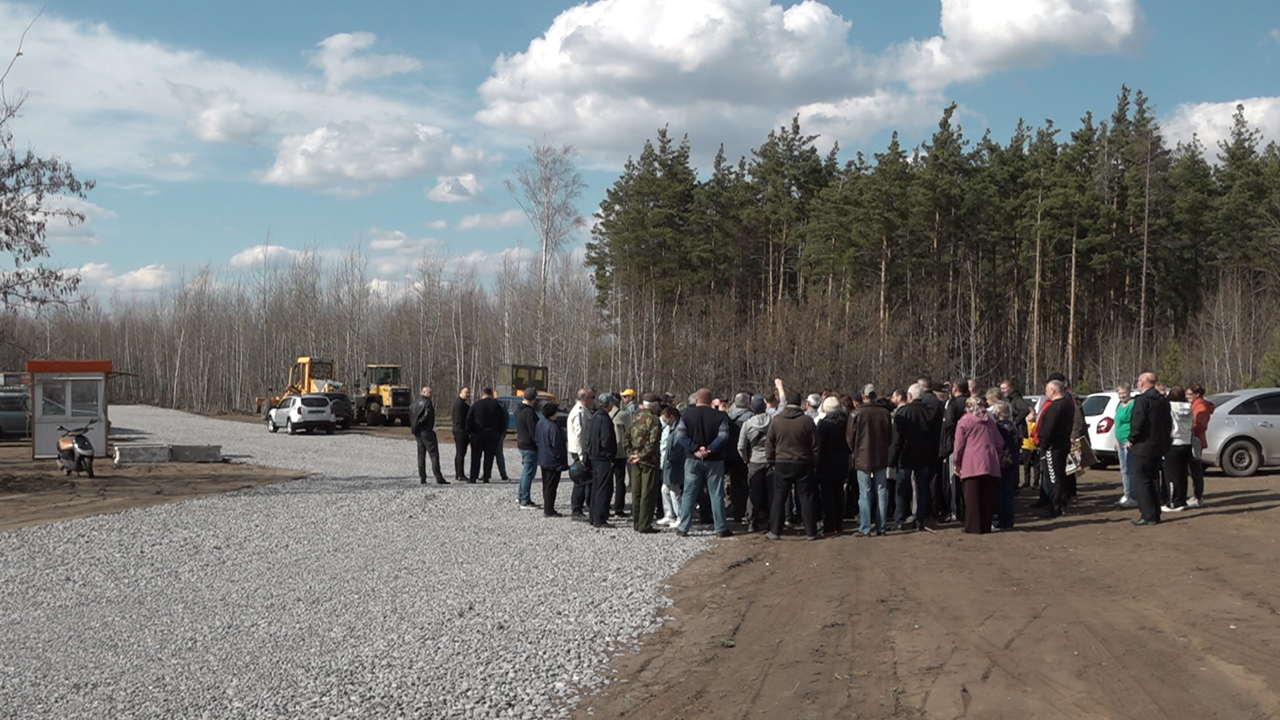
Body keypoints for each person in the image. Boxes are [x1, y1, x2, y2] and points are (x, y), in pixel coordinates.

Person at [674, 389, 733, 538]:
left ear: (697, 401)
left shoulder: (686, 415)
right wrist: (710, 449)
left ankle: (683, 527)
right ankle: (720, 527)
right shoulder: (720, 416)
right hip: (714, 460)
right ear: (711, 401)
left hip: (693, 459)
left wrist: (695, 448)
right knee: (716, 494)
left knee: (689, 494)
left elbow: (680, 436)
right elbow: (723, 436)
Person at [765, 389, 820, 540]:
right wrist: (814, 462)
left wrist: (771, 461)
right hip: (803, 462)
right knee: (806, 497)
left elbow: (769, 444)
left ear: (787, 403)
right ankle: (811, 532)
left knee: (779, 497)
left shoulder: (777, 420)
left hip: (782, 463)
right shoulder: (807, 421)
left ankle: (775, 531)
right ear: (801, 403)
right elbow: (815, 445)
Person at [890, 383, 937, 531]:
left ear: (909, 397)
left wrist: (892, 458)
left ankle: (899, 518)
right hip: (924, 456)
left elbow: (897, 439)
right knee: (923, 487)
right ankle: (921, 518)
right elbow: (935, 436)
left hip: (905, 456)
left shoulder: (903, 413)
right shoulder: (930, 412)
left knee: (902, 487)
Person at [953, 396, 1002, 534]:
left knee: (972, 497)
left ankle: (973, 526)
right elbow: (1000, 443)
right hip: (990, 461)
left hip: (971, 462)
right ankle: (986, 526)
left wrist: (957, 462)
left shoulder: (964, 421)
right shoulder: (991, 422)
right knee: (987, 496)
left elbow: (959, 444)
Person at [1129, 372, 1172, 526]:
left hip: (1143, 446)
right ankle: (1155, 513)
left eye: (1138, 381)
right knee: (1154, 479)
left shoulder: (1142, 400)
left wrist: (1131, 438)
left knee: (1142, 480)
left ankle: (1147, 514)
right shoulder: (1163, 401)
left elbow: (1138, 422)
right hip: (1158, 445)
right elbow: (1169, 423)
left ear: (1142, 383)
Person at [848, 386, 892, 537]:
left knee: (865, 492)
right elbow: (889, 436)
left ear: (863, 396)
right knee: (881, 491)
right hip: (880, 456)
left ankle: (865, 527)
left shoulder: (856, 414)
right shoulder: (885, 413)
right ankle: (882, 526)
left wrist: (856, 450)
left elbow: (849, 437)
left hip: (862, 457)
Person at [625, 393, 664, 533]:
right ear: (654, 405)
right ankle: (645, 525)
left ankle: (636, 523)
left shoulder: (635, 417)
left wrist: (631, 454)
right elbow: (653, 443)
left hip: (634, 460)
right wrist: (641, 456)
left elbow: (626, 437)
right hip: (649, 462)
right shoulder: (654, 420)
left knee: (636, 493)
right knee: (647, 493)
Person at [1035, 379, 1074, 518]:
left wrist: (1043, 445)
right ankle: (1061, 504)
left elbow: (1048, 429)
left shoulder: (1055, 407)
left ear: (1053, 390)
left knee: (1053, 477)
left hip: (1053, 445)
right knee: (1060, 475)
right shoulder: (1068, 404)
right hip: (1062, 443)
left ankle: (1055, 507)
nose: (1046, 393)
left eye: (1047, 390)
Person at [738, 394, 772, 533]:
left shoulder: (747, 424)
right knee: (772, 493)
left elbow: (741, 446)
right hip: (771, 461)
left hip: (754, 461)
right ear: (765, 407)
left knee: (754, 493)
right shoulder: (773, 420)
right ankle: (773, 522)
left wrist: (745, 458)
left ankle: (752, 522)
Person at [815, 396, 849, 537]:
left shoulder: (823, 425)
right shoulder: (846, 422)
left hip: (826, 464)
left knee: (828, 496)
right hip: (842, 463)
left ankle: (829, 527)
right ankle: (839, 525)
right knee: (839, 494)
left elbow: (818, 445)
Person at [585, 393, 618, 528]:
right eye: (612, 403)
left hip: (593, 455)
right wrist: (611, 456)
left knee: (595, 487)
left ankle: (593, 517)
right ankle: (599, 518)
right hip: (602, 458)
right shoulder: (605, 419)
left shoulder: (594, 416)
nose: (613, 405)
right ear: (608, 404)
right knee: (603, 488)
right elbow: (606, 441)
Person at [939, 380, 969, 523]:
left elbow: (950, 423)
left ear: (956, 388)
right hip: (972, 446)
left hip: (955, 447)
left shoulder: (953, 404)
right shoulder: (972, 403)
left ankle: (956, 511)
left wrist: (956, 440)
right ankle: (967, 509)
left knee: (954, 480)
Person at [466, 388, 509, 483]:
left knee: (476, 457)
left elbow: (469, 419)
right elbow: (503, 421)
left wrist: (470, 432)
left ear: (483, 394)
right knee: (489, 457)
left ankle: (473, 477)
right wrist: (500, 433)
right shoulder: (497, 406)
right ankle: (486, 477)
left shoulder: (476, 405)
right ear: (491, 395)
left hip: (478, 434)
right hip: (493, 435)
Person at [410, 385, 448, 484]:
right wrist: (421, 423)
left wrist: (415, 426)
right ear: (424, 392)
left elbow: (410, 416)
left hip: (417, 432)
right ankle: (438, 477)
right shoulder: (427, 403)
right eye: (430, 393)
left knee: (421, 455)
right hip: (426, 431)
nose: (432, 395)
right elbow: (427, 416)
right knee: (434, 454)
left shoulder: (414, 403)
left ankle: (422, 477)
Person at [990, 400, 1019, 530]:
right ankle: (1009, 520)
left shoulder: (999, 427)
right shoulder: (1013, 426)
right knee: (1008, 492)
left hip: (1001, 462)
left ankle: (998, 520)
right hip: (1012, 461)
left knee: (998, 492)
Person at [1164, 386, 1194, 512]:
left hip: (1174, 442)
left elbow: (1167, 425)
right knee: (1182, 474)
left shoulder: (1169, 408)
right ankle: (1181, 500)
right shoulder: (1189, 407)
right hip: (1186, 442)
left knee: (1171, 475)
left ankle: (1173, 503)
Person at [535, 402, 568, 516]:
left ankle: (547, 507)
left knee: (546, 484)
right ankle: (549, 510)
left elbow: (537, 439)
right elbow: (557, 445)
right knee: (552, 486)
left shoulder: (540, 423)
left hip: (543, 457)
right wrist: (561, 459)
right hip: (553, 460)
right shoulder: (553, 426)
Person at [725, 393, 753, 523]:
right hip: (747, 455)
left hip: (731, 455)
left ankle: (736, 511)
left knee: (735, 484)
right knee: (749, 484)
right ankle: (749, 511)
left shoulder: (727, 417)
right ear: (748, 403)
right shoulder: (751, 417)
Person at [567, 388, 595, 517]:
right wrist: (581, 455)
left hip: (583, 450)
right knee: (581, 479)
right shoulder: (580, 412)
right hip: (581, 451)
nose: (593, 401)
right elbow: (579, 435)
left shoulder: (584, 411)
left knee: (587, 480)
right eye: (592, 398)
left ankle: (588, 505)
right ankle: (576, 509)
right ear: (584, 399)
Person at [1187, 383, 1215, 508]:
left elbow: (1200, 426)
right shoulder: (1195, 405)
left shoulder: (1201, 408)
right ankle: (1196, 495)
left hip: (1196, 440)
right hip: (1194, 439)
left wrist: (1188, 426)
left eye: (1189, 394)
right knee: (1193, 469)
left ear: (1197, 394)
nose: (1187, 396)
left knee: (1196, 469)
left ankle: (1198, 497)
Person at [514, 386, 541, 508]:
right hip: (529, 445)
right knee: (529, 473)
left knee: (526, 471)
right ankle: (525, 499)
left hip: (521, 442)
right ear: (534, 399)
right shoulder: (529, 412)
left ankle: (521, 496)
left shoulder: (518, 409)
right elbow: (533, 431)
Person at [658, 405, 685, 527]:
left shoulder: (679, 429)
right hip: (668, 463)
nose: (665, 422)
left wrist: (671, 460)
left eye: (665, 419)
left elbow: (677, 448)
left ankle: (680, 516)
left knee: (674, 491)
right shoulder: (672, 428)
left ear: (672, 417)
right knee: (665, 489)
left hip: (675, 464)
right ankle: (669, 514)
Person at [1113, 384, 1136, 508]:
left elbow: (1134, 423)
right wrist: (1116, 439)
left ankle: (1131, 495)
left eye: (1124, 393)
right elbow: (1117, 423)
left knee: (1129, 469)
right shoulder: (1119, 405)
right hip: (1120, 442)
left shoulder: (1132, 404)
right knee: (1123, 470)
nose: (1122, 395)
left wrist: (1131, 440)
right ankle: (1126, 494)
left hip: (1128, 442)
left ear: (1129, 392)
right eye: (1120, 393)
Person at [609, 396, 632, 519]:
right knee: (619, 481)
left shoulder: (601, 414)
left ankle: (605, 505)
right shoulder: (622, 415)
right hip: (620, 452)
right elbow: (629, 431)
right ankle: (619, 508)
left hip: (607, 452)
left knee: (606, 481)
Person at [451, 386, 473, 482]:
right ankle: (460, 474)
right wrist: (467, 431)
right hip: (460, 432)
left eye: (468, 393)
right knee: (460, 453)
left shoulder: (461, 403)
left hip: (459, 430)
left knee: (460, 453)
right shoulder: (459, 404)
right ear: (461, 392)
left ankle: (459, 474)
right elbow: (460, 420)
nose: (468, 394)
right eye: (466, 392)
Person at [1021, 408, 1040, 491]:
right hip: (1026, 447)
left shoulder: (1036, 424)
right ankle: (1027, 482)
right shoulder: (1024, 424)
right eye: (1032, 414)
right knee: (1026, 466)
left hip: (1035, 448)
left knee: (1036, 466)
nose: (1034, 415)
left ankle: (1036, 482)